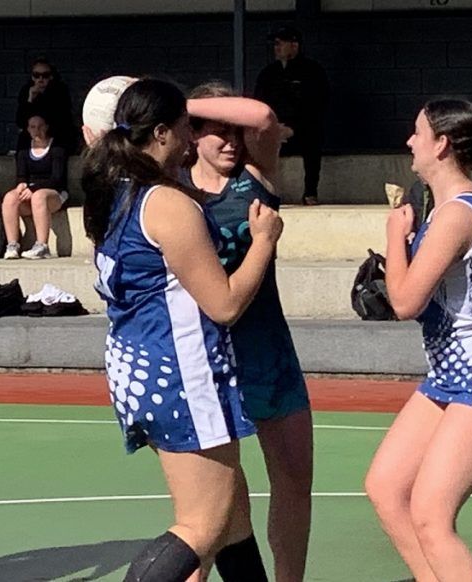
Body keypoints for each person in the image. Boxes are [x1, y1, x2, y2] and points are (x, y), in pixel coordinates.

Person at [83, 78, 282, 582]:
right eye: (187, 129)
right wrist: (263, 239)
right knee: (203, 525)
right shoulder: (167, 205)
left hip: (138, 369)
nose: (194, 140)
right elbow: (225, 304)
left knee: (233, 520)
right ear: (163, 132)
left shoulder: (115, 195)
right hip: (182, 376)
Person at [364, 99, 472, 582]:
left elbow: (405, 302)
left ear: (441, 145)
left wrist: (395, 236)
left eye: (417, 132)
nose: (410, 142)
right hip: (452, 371)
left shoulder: (458, 215)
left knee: (430, 515)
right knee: (385, 486)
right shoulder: (445, 212)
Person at [181, 82, 311, 582]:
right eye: (217, 132)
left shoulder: (256, 177)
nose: (232, 141)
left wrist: (179, 103)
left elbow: (261, 117)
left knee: (294, 480)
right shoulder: (173, 190)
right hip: (209, 359)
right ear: (191, 136)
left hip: (268, 352)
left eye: (235, 132)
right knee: (216, 502)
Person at [254, 25, 329, 206]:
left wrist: (293, 129)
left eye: (280, 43)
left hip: (303, 129)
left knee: (313, 140)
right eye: (275, 44)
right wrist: (273, 127)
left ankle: (310, 192)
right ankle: (261, 192)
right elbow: (259, 103)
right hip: (273, 128)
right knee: (255, 145)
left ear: (294, 46)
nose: (276, 48)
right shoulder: (268, 74)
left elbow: (318, 105)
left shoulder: (312, 71)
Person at [2, 114, 68, 260]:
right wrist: (22, 185)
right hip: (31, 192)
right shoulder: (24, 149)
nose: (37, 130)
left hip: (54, 193)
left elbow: (57, 179)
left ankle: (42, 246)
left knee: (39, 196)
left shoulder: (57, 148)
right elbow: (21, 175)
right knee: (10, 197)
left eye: (40, 126)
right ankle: (12, 245)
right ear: (28, 129)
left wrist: (33, 189)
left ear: (46, 127)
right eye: (33, 127)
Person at [15, 57, 78, 154]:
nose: (40, 79)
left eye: (45, 75)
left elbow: (62, 118)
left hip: (55, 133)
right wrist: (30, 99)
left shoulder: (60, 90)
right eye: (36, 75)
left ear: (51, 77)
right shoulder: (27, 90)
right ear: (32, 77)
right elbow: (20, 121)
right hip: (34, 135)